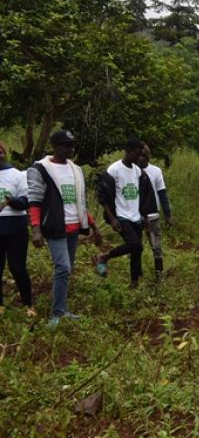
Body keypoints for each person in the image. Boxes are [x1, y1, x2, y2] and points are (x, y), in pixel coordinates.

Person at [27, 130, 103, 327]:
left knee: (66, 269)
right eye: (66, 145)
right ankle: (57, 313)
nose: (71, 149)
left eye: (72, 145)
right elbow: (34, 201)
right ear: (55, 147)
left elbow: (80, 202)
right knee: (63, 267)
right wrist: (36, 228)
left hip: (73, 227)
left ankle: (62, 310)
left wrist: (93, 225)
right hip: (54, 227)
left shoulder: (75, 169)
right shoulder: (41, 169)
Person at [95, 138, 148, 288]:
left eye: (141, 155)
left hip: (135, 216)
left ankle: (134, 283)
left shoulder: (137, 171)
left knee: (137, 250)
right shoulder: (114, 170)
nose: (139, 158)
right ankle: (105, 257)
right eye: (137, 154)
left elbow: (141, 195)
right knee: (134, 244)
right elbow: (103, 197)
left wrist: (144, 217)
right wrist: (112, 219)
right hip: (121, 215)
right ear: (128, 151)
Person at [0, 142, 32, 311]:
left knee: (17, 267)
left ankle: (28, 304)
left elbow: (26, 202)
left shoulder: (17, 175)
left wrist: (11, 201)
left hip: (15, 228)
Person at [137, 145, 173, 282]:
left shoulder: (156, 171)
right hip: (137, 216)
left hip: (153, 216)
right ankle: (138, 274)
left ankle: (159, 274)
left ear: (148, 157)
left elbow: (162, 193)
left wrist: (168, 215)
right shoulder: (133, 171)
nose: (141, 159)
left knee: (156, 246)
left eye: (144, 156)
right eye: (139, 156)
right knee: (137, 246)